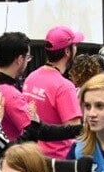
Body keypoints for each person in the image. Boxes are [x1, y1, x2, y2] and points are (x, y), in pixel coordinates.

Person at [23, 26, 85, 158]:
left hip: (33, 155)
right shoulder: (64, 86)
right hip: (60, 159)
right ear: (68, 51)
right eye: (74, 46)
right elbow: (74, 131)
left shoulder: (31, 77)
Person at [0, 32, 34, 141]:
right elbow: (33, 131)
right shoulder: (11, 94)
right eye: (28, 58)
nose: (27, 62)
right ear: (20, 59)